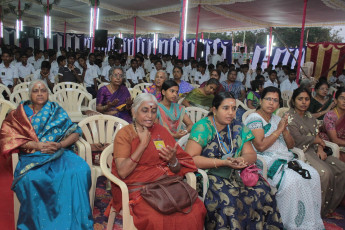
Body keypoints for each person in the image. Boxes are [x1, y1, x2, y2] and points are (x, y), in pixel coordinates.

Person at [0, 80, 93, 229]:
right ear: (29, 94)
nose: (39, 93)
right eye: (35, 91)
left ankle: (74, 221)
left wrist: (60, 145)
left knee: (80, 170)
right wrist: (36, 145)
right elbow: (9, 137)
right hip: (33, 156)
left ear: (48, 93)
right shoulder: (19, 113)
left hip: (59, 153)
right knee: (33, 178)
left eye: (43, 90)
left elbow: (75, 131)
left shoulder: (56, 110)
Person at [185, 92, 283, 230]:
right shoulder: (203, 127)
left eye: (234, 108)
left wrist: (241, 160)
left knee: (264, 190)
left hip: (236, 173)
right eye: (225, 108)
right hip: (209, 175)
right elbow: (191, 159)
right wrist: (222, 163)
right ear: (214, 109)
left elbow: (251, 154)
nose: (231, 113)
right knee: (229, 200)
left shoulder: (238, 127)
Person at [111, 93, 206, 230]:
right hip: (139, 189)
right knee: (157, 218)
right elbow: (123, 172)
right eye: (145, 110)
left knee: (196, 209)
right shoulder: (125, 134)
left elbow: (177, 167)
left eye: (153, 111)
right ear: (134, 111)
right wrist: (142, 145)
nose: (150, 115)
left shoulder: (161, 131)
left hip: (165, 184)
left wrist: (173, 160)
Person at [244, 86, 324, 229]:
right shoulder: (254, 118)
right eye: (268, 99)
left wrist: (285, 129)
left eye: (275, 100)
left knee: (313, 175)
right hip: (264, 159)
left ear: (279, 103)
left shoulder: (276, 118)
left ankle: (308, 223)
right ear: (260, 101)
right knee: (291, 181)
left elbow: (290, 145)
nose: (271, 103)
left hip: (285, 157)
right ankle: (288, 223)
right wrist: (279, 129)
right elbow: (261, 146)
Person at [287, 87, 345, 218]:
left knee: (342, 169)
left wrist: (319, 147)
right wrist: (315, 141)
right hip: (301, 151)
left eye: (307, 99)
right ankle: (316, 212)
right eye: (300, 99)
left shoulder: (310, 117)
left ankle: (329, 208)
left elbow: (317, 136)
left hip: (314, 149)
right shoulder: (289, 117)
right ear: (294, 101)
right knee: (325, 173)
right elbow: (296, 140)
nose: (303, 102)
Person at [319, 87, 345, 162]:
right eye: (342, 98)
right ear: (336, 100)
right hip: (332, 146)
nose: (344, 101)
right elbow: (334, 140)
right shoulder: (330, 116)